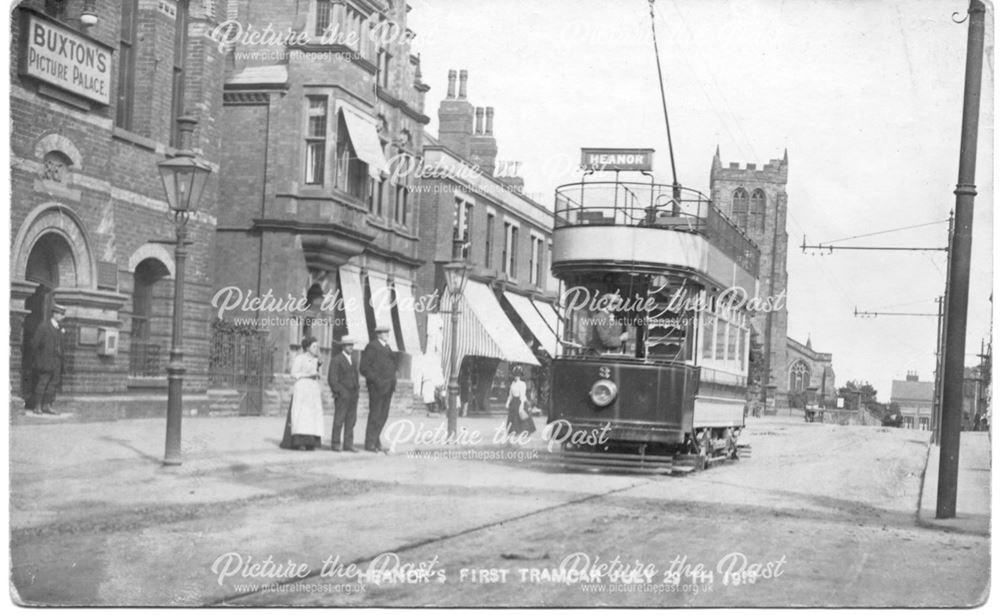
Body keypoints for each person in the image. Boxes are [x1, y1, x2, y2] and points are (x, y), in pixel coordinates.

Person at [280, 337, 325, 451]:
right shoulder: (300, 358)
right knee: (302, 414)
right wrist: (306, 374)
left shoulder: (316, 360)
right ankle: (300, 441)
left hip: (313, 388)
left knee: (312, 414)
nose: (316, 349)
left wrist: (318, 369)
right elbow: (294, 373)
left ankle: (311, 442)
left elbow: (318, 373)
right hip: (303, 387)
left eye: (317, 347)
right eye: (314, 346)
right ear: (307, 347)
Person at [360, 326, 397, 452]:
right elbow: (364, 367)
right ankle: (370, 442)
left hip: (389, 386)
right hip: (377, 387)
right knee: (375, 414)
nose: (387, 334)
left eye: (387, 332)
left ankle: (375, 439)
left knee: (383, 415)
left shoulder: (387, 347)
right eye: (384, 332)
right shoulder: (372, 346)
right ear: (378, 334)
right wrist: (377, 381)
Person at [30, 304, 66, 415]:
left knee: (53, 384)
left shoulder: (60, 327)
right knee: (43, 383)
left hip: (57, 362)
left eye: (62, 314)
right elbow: (34, 344)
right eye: (60, 314)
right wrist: (39, 359)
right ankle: (37, 407)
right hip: (45, 361)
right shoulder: (44, 326)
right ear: (54, 313)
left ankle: (47, 406)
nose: (62, 316)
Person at [328, 336, 360, 452]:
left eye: (352, 345)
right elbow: (332, 379)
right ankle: (335, 443)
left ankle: (348, 444)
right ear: (343, 346)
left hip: (353, 395)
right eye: (348, 345)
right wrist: (341, 392)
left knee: (351, 420)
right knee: (339, 419)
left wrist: (357, 391)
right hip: (342, 395)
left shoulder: (354, 360)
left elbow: (356, 377)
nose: (351, 347)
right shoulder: (336, 360)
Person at [505, 366, 536, 438]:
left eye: (518, 375)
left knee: (522, 417)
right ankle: (513, 431)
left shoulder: (522, 384)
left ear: (520, 376)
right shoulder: (512, 383)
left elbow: (522, 395)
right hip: (513, 402)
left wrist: (521, 406)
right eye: (515, 375)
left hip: (520, 401)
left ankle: (524, 432)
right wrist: (507, 402)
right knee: (512, 418)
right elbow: (510, 395)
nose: (516, 377)